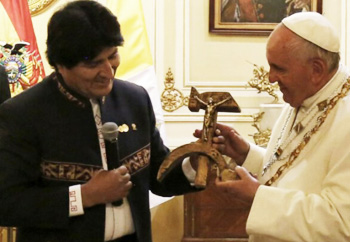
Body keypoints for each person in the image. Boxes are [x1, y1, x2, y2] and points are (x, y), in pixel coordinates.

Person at [0, 1, 199, 242]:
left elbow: (158, 175)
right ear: (61, 65)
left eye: (112, 55)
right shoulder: (23, 114)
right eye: (93, 64)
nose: (108, 71)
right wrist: (83, 197)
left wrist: (193, 165)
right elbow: (8, 203)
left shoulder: (135, 98)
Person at [195, 12, 350, 241]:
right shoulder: (304, 97)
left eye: (279, 68)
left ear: (316, 70)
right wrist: (246, 154)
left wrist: (258, 196)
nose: (270, 78)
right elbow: (291, 172)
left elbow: (340, 222)